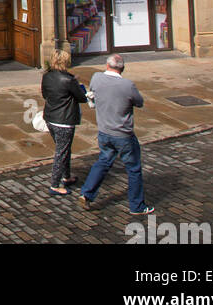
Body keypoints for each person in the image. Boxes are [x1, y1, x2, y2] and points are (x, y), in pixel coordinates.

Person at [79, 53, 155, 214]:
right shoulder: (127, 85)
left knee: (103, 162)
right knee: (133, 169)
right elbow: (139, 102)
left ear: (107, 65)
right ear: (123, 68)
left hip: (104, 131)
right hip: (123, 134)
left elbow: (93, 92)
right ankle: (137, 206)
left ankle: (87, 193)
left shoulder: (96, 78)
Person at [41, 48, 89, 196]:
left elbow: (44, 94)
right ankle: (55, 185)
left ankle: (66, 176)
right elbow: (82, 98)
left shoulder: (47, 76)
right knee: (61, 152)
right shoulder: (68, 80)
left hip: (50, 117)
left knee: (64, 148)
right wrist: (78, 85)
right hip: (64, 120)